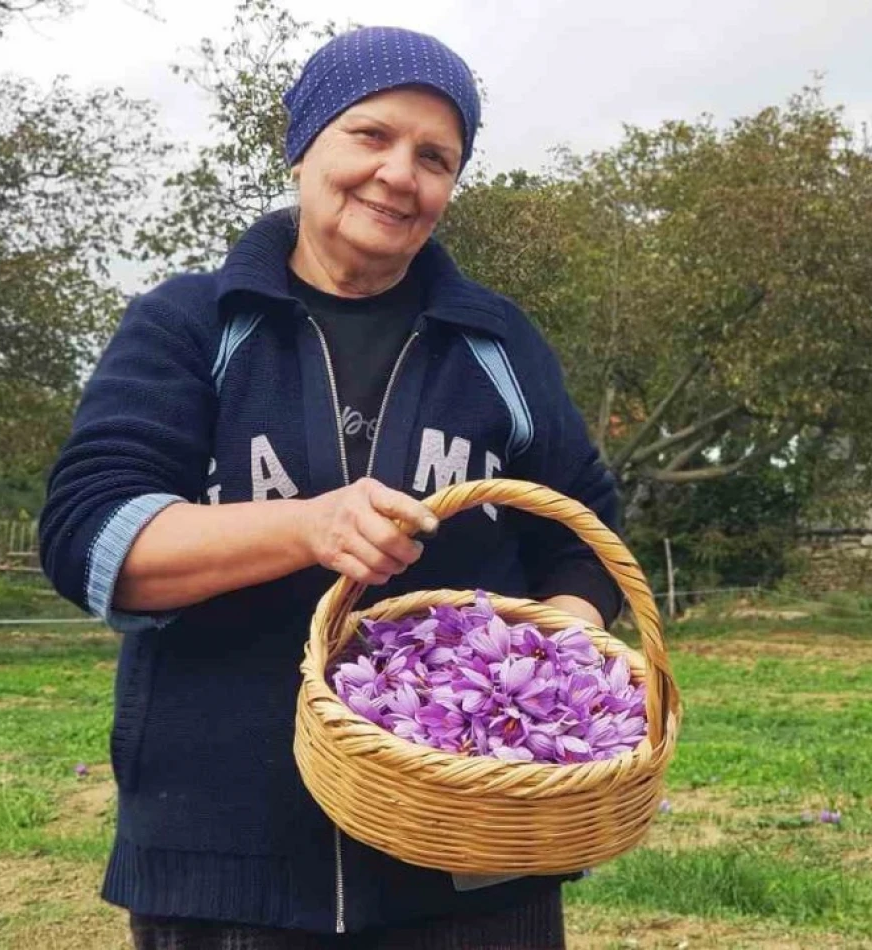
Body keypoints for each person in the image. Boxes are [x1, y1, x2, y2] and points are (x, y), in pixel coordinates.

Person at [39, 26, 622, 949]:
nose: (401, 174)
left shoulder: (498, 343)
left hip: (472, 859)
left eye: (437, 157)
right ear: (305, 144)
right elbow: (91, 537)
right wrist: (308, 526)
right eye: (371, 135)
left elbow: (583, 524)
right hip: (228, 859)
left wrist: (565, 654)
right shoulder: (191, 324)